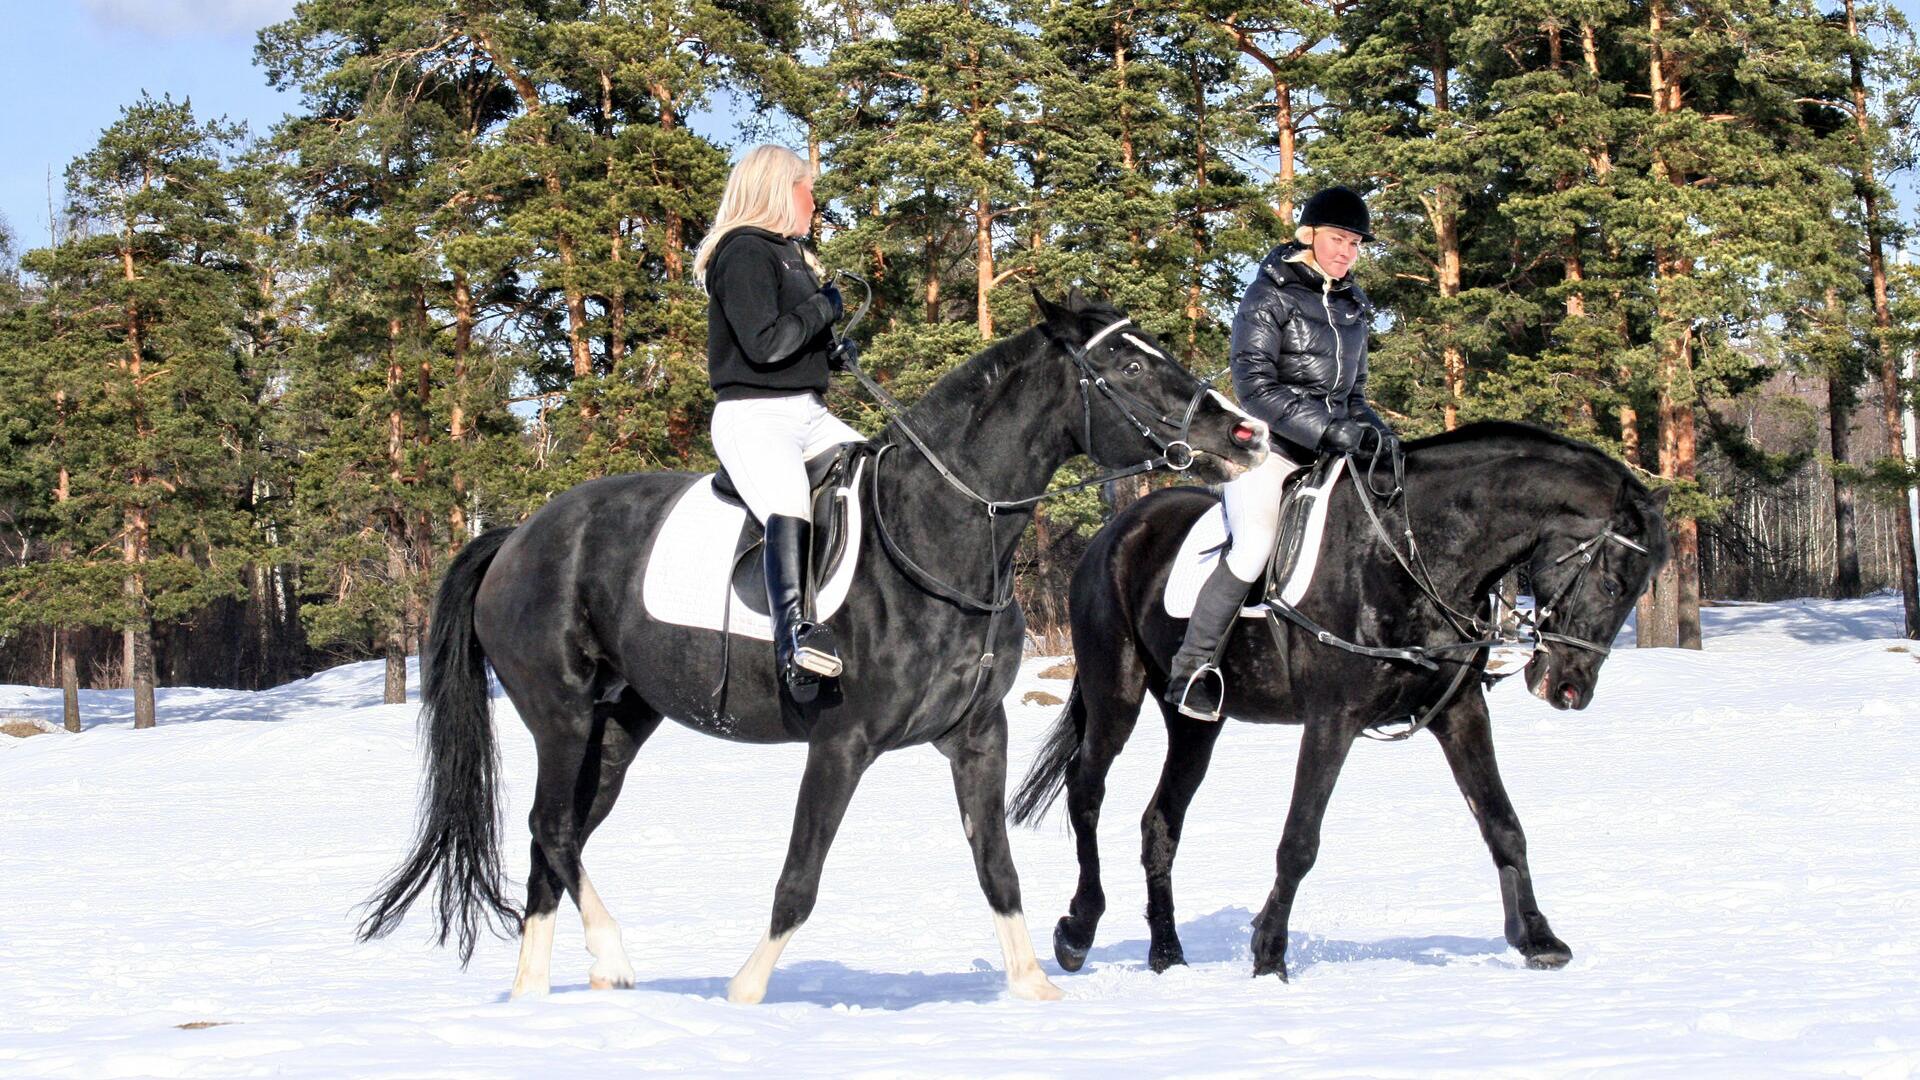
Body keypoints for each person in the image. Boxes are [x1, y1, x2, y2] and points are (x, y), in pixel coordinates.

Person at [1166, 185, 1398, 721]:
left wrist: (1377, 436)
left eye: (1356, 243)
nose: (1347, 251)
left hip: (1330, 447)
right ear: (1309, 236)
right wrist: (1327, 430)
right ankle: (1193, 668)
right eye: (1338, 239)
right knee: (1254, 544)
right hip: (1270, 451)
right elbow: (1255, 387)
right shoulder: (1268, 296)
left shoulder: (1351, 306)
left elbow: (1354, 397)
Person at [693, 145, 863, 696]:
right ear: (776, 190)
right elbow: (764, 347)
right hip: (755, 417)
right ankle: (795, 644)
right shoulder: (743, 250)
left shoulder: (789, 252)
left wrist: (826, 354)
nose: (813, 202)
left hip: (808, 413)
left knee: (880, 471)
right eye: (806, 189)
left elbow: (793, 342)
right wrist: (824, 309)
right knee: (789, 506)